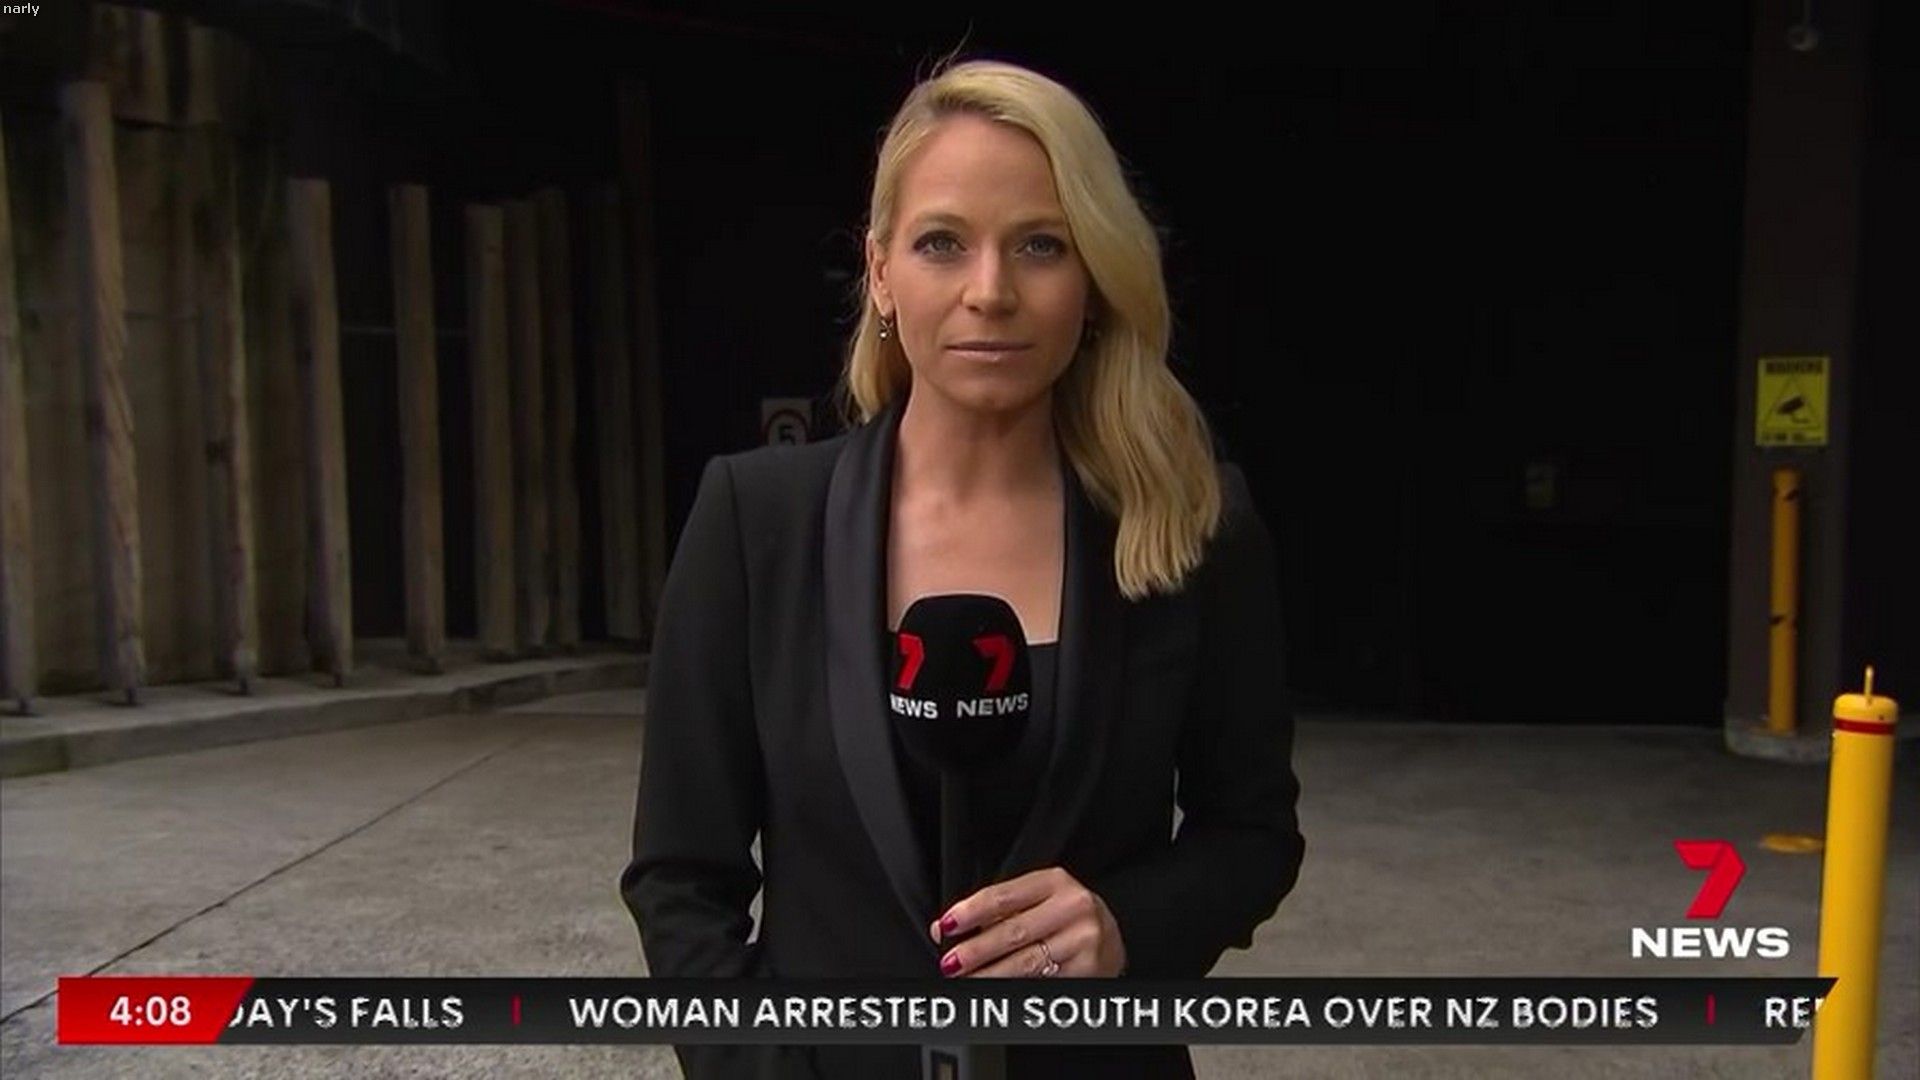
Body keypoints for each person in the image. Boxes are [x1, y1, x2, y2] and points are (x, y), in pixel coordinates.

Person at [619, 58, 1305, 1079]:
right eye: (943, 243)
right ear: (881, 273)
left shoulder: (1195, 525)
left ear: (1095, 278)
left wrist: (1127, 924)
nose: (991, 292)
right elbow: (681, 878)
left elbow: (1251, 835)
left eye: (1041, 245)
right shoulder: (754, 523)